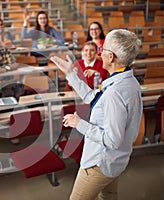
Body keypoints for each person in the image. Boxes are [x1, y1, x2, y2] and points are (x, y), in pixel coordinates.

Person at [51, 29, 142, 200]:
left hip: (99, 163)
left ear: (111, 57)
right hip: (115, 160)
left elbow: (112, 140)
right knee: (108, 196)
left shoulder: (115, 92)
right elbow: (92, 98)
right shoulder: (128, 81)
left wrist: (79, 123)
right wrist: (70, 74)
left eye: (102, 49)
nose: (99, 53)